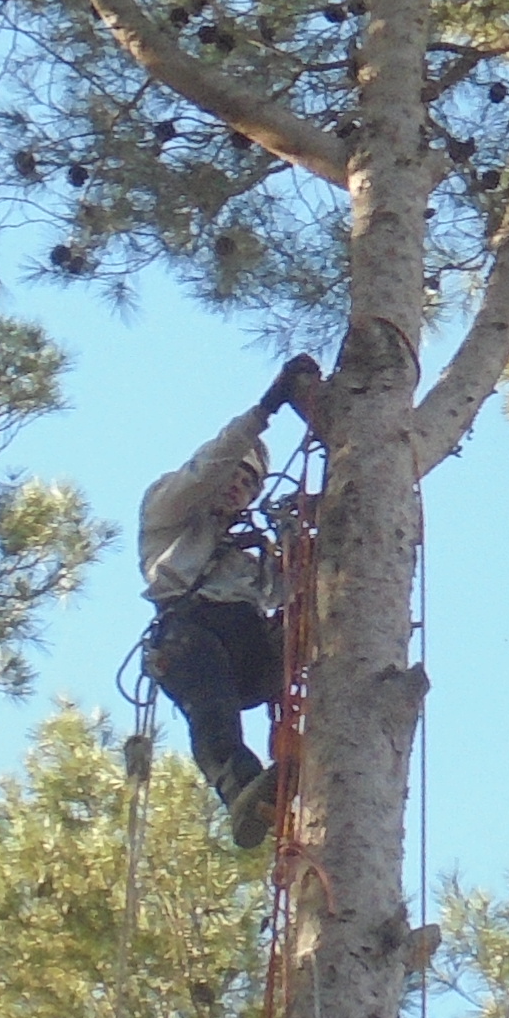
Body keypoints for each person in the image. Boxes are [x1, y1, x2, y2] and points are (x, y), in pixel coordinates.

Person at [137, 355, 325, 848]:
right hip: (192, 637)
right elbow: (212, 466)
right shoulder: (169, 512)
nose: (239, 489)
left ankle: (314, 760)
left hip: (248, 653)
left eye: (249, 485)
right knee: (213, 713)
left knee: (306, 627)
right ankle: (243, 788)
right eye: (235, 477)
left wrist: (303, 534)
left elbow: (285, 589)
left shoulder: (247, 555)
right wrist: (267, 408)